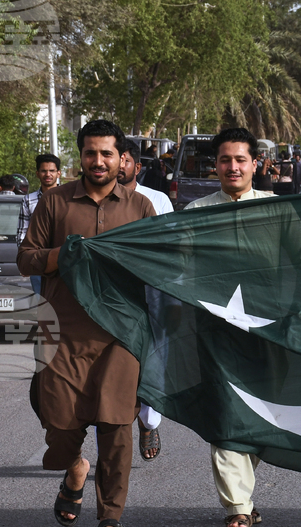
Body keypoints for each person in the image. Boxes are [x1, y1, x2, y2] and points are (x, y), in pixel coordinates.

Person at [17, 119, 156, 527]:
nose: (98, 161)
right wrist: (64, 255)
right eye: (91, 153)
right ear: (81, 156)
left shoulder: (140, 209)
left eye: (107, 154)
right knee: (59, 427)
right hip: (63, 333)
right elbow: (26, 260)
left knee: (116, 427)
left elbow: (158, 270)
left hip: (121, 335)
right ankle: (75, 467)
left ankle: (111, 516)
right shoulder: (55, 203)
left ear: (122, 160)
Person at [183, 127, 278, 527]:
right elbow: (179, 270)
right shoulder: (196, 214)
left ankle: (245, 496)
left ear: (255, 164)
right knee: (226, 413)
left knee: (261, 417)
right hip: (215, 335)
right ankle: (237, 509)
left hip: (272, 336)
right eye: (225, 160)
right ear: (215, 166)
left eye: (241, 160)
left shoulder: (278, 210)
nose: (233, 167)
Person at [119, 140, 175, 461]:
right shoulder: (97, 201)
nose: (119, 166)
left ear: (137, 167)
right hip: (112, 296)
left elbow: (170, 246)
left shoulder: (157, 199)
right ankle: (118, 422)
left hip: (150, 295)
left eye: (126, 160)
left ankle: (148, 420)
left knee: (150, 361)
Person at [17, 154, 61, 295]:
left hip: (63, 257)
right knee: (42, 303)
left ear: (58, 173)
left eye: (52, 171)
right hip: (39, 260)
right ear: (37, 174)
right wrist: (25, 260)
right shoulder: (29, 200)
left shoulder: (68, 199)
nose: (48, 174)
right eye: (43, 171)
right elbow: (22, 232)